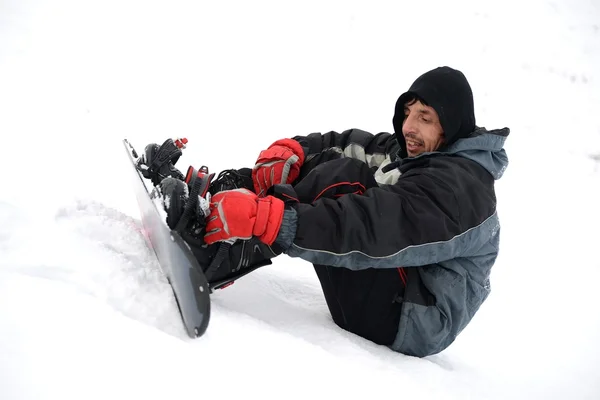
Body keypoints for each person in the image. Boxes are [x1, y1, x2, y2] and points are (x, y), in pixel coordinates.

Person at [150, 66, 509, 357]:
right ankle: (207, 204)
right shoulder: (416, 152)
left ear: (452, 124)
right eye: (407, 113)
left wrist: (271, 220)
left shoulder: (462, 187)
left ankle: (213, 252)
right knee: (327, 164)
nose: (409, 127)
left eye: (425, 118)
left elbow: (373, 227)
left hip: (413, 317)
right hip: (392, 289)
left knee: (346, 181)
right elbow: (343, 145)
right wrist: (293, 150)